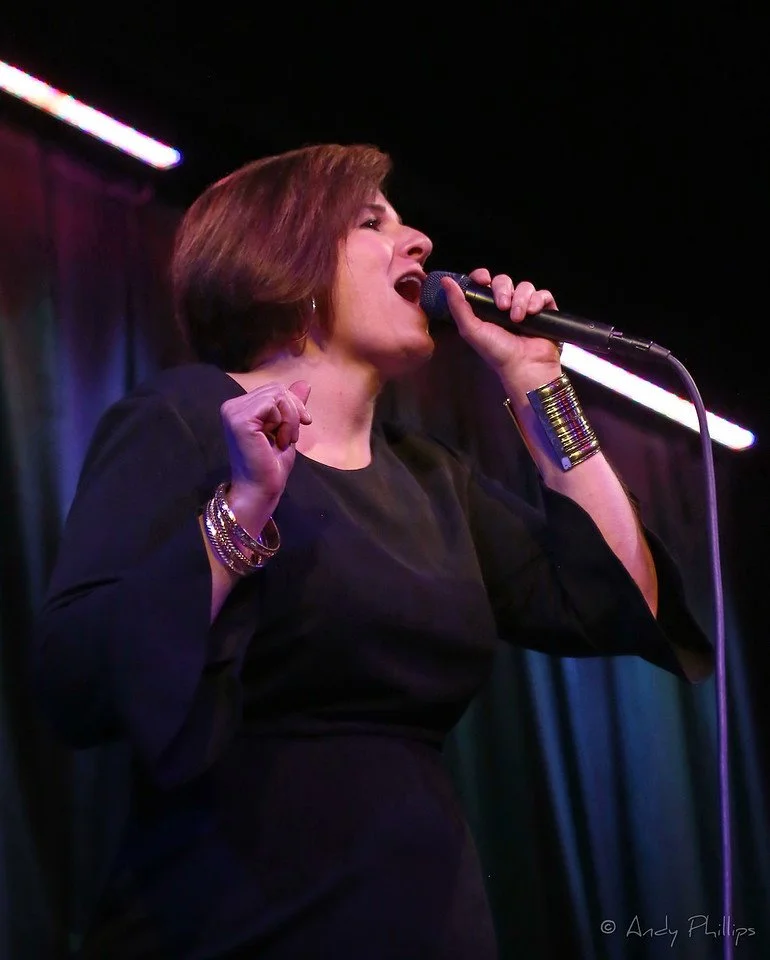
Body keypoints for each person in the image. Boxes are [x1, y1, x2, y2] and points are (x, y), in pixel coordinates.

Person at [34, 143, 713, 959]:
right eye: (370, 221)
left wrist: (541, 388)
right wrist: (242, 511)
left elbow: (622, 597)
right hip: (236, 923)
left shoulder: (432, 481)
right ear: (282, 257)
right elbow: (75, 673)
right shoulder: (185, 416)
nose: (420, 240)